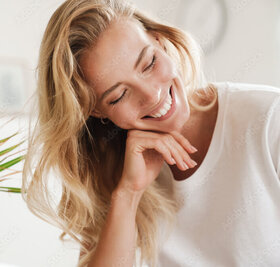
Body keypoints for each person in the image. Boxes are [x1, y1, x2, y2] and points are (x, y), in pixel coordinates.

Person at [21, 0, 280, 266]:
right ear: (96, 112)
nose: (152, 95)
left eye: (149, 64)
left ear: (161, 42)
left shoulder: (270, 119)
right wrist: (128, 194)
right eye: (119, 95)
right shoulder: (110, 174)